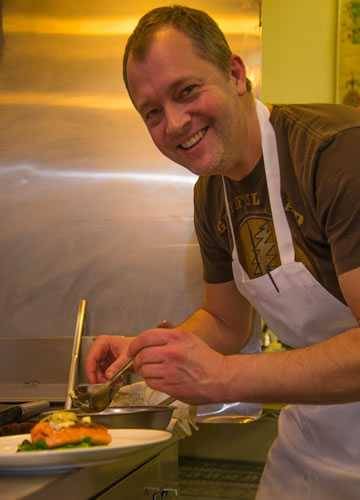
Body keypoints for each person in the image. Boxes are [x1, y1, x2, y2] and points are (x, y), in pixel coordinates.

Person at [85, 5, 360, 499]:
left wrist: (225, 377)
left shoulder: (335, 155)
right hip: (315, 448)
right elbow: (227, 322)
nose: (173, 122)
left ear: (235, 74)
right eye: (152, 112)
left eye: (186, 91)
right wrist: (146, 352)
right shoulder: (211, 193)